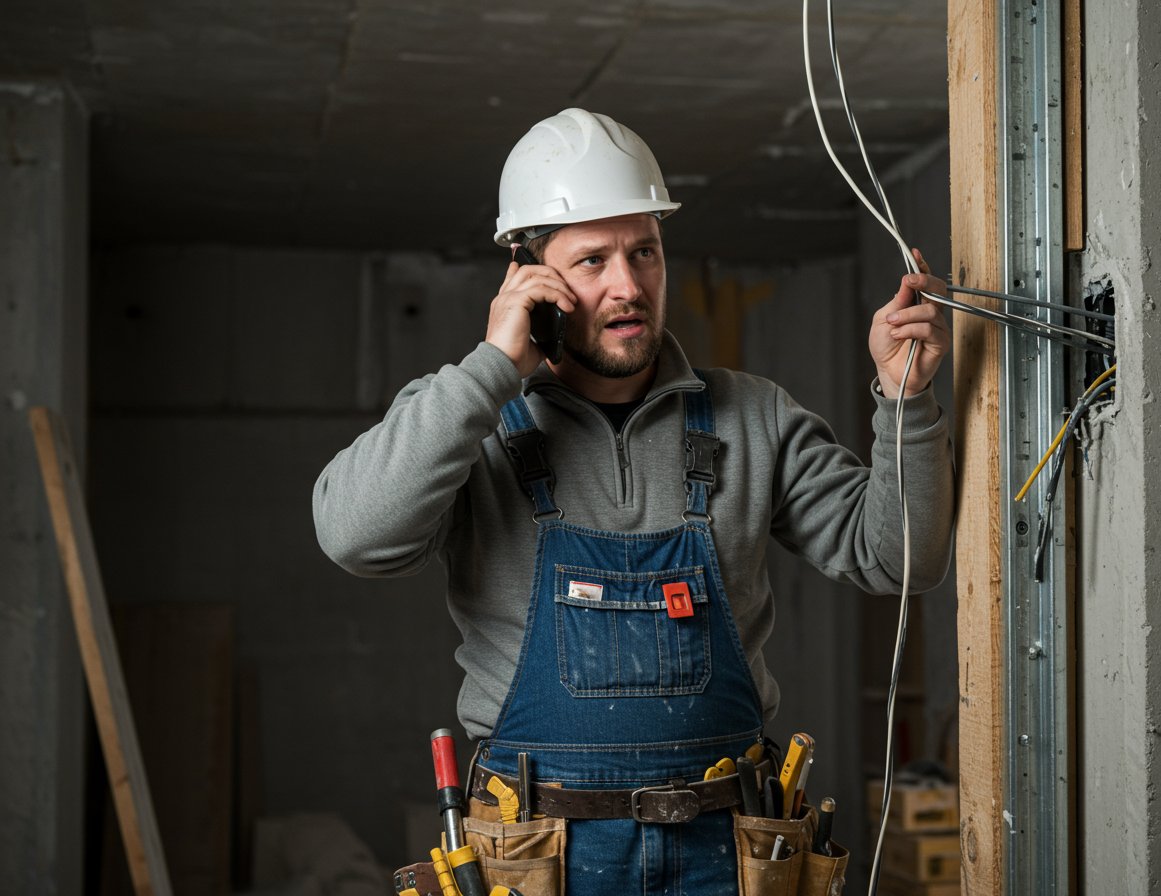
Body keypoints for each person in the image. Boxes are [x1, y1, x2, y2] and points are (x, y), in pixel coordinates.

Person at [313, 108, 954, 894]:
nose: (628, 286)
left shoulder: (750, 417)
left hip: (730, 851)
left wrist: (904, 401)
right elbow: (353, 537)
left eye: (643, 252)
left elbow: (899, 559)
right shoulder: (466, 421)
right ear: (528, 277)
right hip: (537, 859)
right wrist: (491, 368)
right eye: (592, 262)